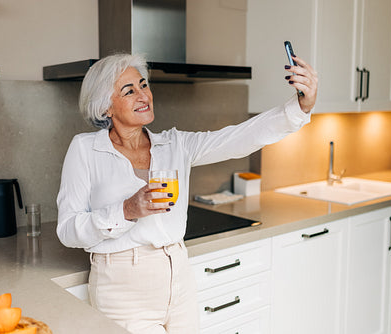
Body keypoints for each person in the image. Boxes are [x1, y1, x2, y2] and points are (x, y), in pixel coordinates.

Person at [57, 53, 318, 334]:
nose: (143, 94)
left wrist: (301, 106)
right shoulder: (86, 149)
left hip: (178, 276)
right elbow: (68, 230)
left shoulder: (174, 144)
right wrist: (126, 210)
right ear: (105, 107)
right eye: (128, 90)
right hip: (122, 290)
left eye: (143, 85)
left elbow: (238, 138)